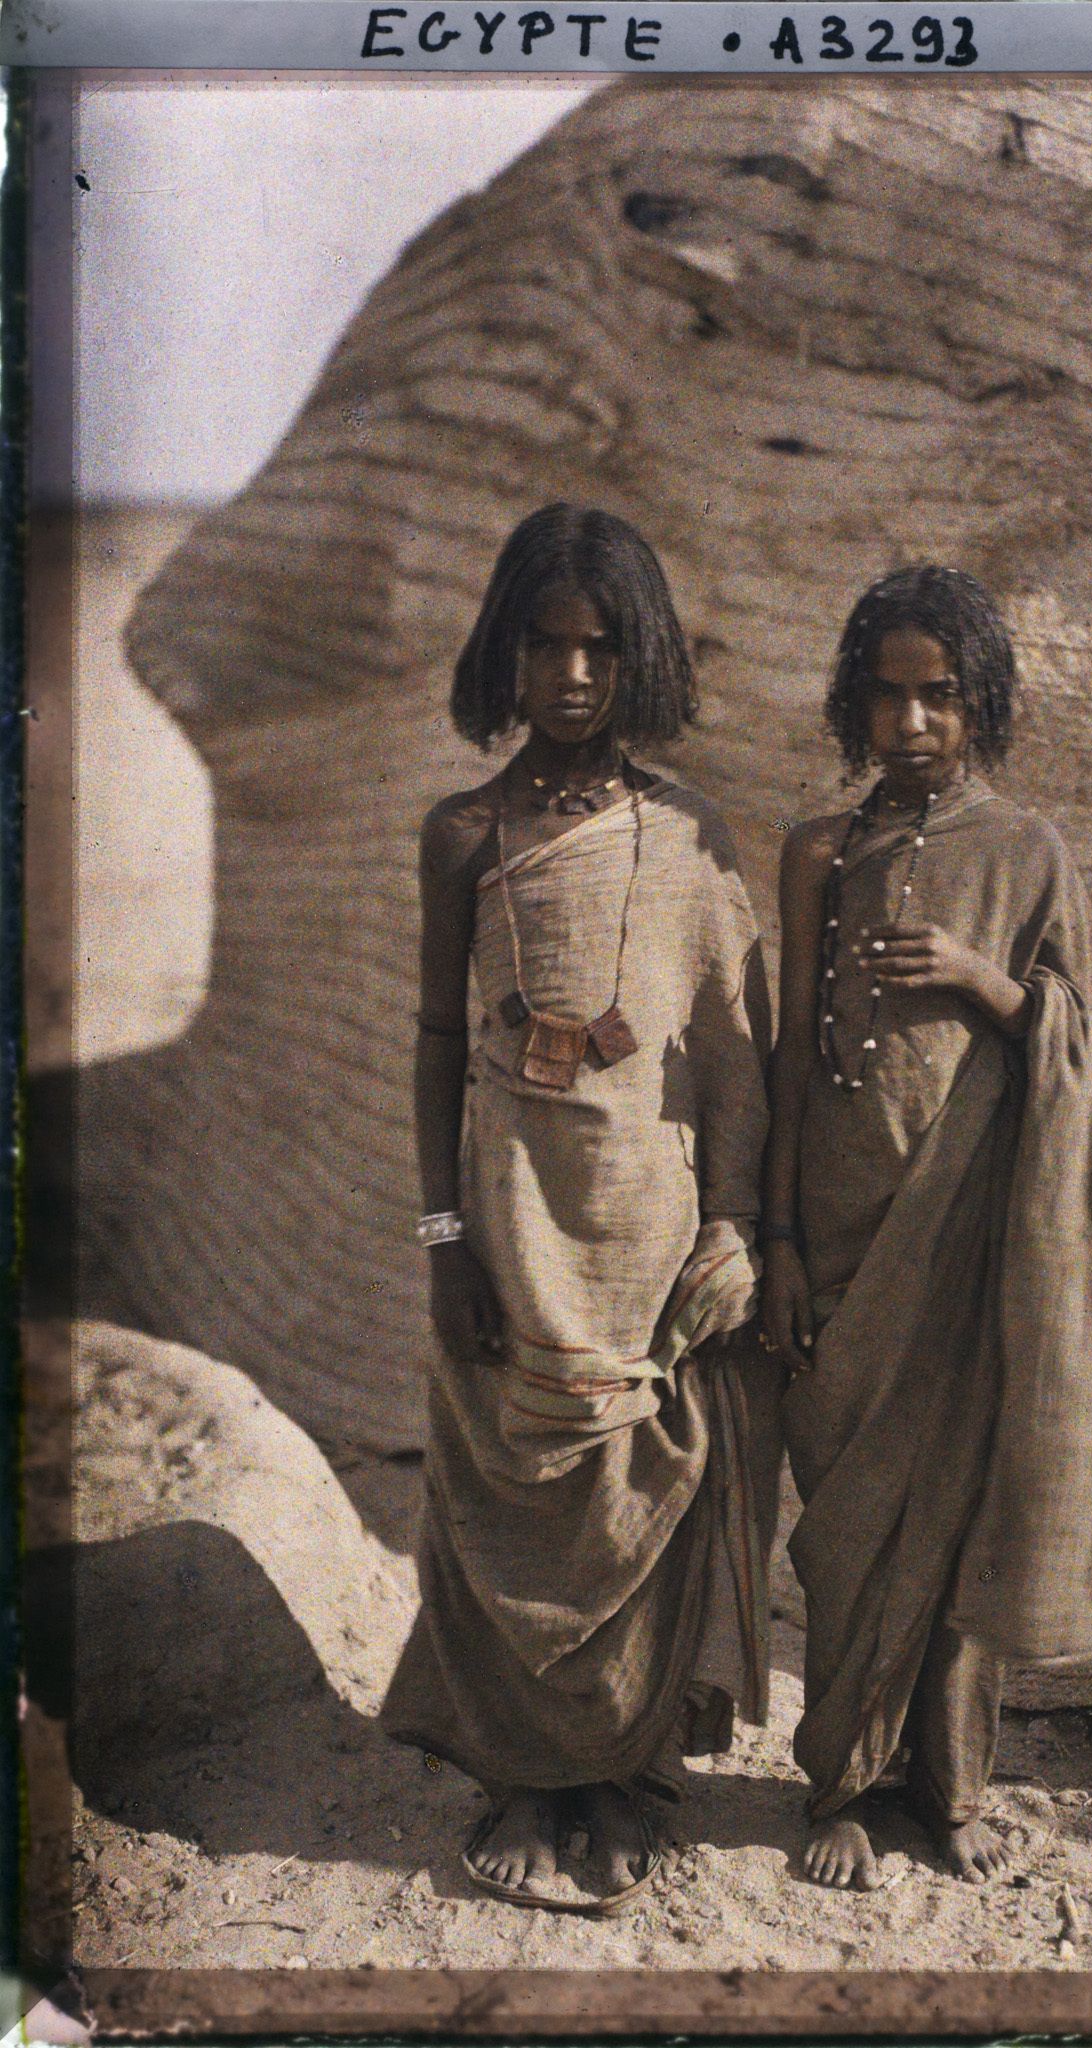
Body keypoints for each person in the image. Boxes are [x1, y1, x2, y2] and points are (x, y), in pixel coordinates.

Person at [382, 503, 776, 1914]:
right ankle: (531, 1779)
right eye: (545, 647)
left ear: (641, 658)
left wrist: (735, 1223)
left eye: (601, 649)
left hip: (644, 1237)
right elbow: (438, 1045)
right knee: (511, 1495)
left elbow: (733, 1051)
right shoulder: (463, 834)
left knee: (630, 1501)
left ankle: (617, 1776)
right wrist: (444, 1244)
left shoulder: (689, 836)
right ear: (505, 653)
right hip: (507, 1227)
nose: (572, 675)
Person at [760, 565, 1092, 1892]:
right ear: (853, 702)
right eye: (887, 695)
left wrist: (988, 982)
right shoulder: (818, 850)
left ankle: (954, 1789)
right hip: (841, 1241)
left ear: (983, 705)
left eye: (940, 697)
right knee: (851, 1527)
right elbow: (790, 1055)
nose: (910, 722)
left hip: (975, 1243)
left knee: (960, 1515)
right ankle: (847, 1789)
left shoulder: (1030, 854)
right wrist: (779, 1238)